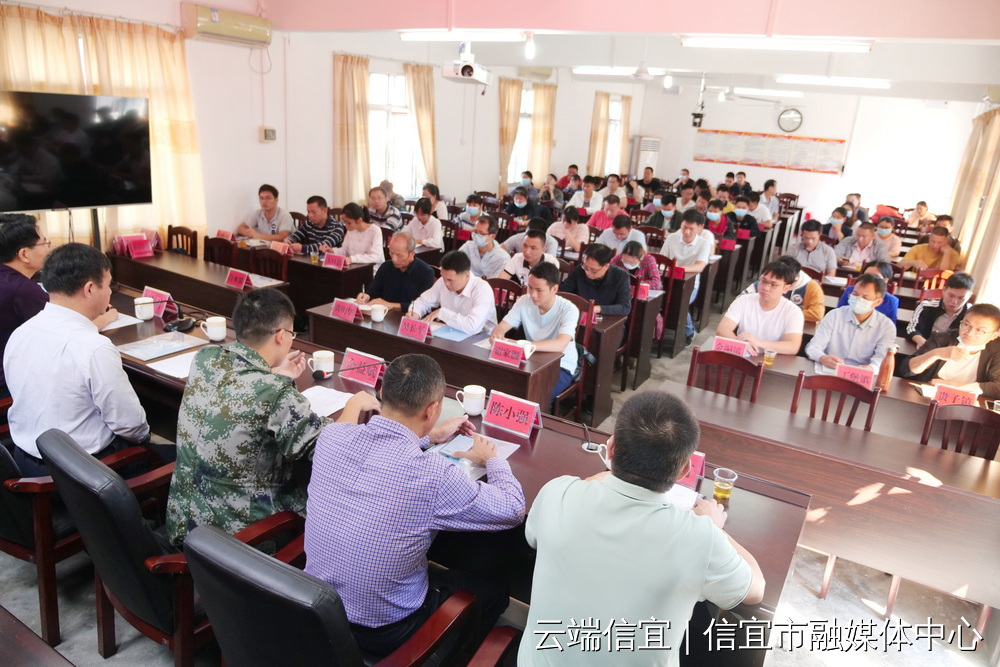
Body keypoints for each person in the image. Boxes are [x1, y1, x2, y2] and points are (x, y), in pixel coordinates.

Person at [519, 390, 765, 666]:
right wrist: (715, 528)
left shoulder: (558, 493)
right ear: (684, 471)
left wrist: (606, 476)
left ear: (611, 449)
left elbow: (533, 537)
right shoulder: (700, 537)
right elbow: (756, 589)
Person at [305, 354, 525, 656]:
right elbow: (513, 509)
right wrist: (493, 461)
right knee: (495, 590)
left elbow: (381, 443)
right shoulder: (433, 474)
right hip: (383, 631)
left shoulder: (332, 437)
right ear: (432, 409)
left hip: (317, 612)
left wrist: (428, 435)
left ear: (381, 391)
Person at [166, 289, 377, 544]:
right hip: (239, 539)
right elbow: (331, 448)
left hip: (183, 522)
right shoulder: (274, 391)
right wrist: (354, 405)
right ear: (280, 336)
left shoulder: (205, 358)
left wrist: (273, 374)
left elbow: (239, 385)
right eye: (292, 334)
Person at [5, 243, 147, 477]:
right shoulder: (94, 348)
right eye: (108, 285)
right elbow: (130, 426)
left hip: (25, 461)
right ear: (90, 289)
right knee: (174, 457)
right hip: (82, 474)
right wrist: (146, 437)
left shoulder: (21, 333)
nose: (110, 292)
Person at [492, 262, 580, 405]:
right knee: (500, 385)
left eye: (539, 290)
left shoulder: (568, 309)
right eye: (530, 288)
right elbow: (502, 326)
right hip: (531, 360)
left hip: (561, 365)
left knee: (535, 396)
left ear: (554, 289)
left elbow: (561, 345)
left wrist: (527, 345)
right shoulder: (524, 301)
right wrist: (498, 334)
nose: (532, 294)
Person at [901, 304, 1000, 398]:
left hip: (969, 403)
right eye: (966, 325)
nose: (969, 333)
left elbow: (997, 388)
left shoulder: (996, 351)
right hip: (928, 398)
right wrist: (936, 353)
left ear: (994, 336)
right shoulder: (942, 338)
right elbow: (906, 370)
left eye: (979, 330)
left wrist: (950, 385)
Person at [0, 214, 50, 396]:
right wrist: (107, 316)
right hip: (8, 386)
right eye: (44, 243)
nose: (49, 248)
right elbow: (65, 330)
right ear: (24, 254)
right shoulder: (21, 290)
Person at [805, 273, 897, 372]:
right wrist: (822, 357)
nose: (858, 300)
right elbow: (813, 347)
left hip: (861, 374)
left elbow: (881, 359)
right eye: (855, 294)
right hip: (829, 370)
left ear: (877, 302)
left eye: (865, 298)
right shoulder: (834, 315)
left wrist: (871, 368)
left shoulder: (886, 327)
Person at [716, 260, 804, 356]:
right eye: (763, 281)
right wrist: (741, 345)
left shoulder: (793, 312)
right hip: (744, 355)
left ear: (786, 288)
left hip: (772, 359)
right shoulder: (744, 300)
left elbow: (793, 346)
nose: (765, 288)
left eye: (773, 285)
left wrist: (757, 342)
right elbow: (722, 329)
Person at [408, 250, 497, 334]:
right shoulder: (443, 281)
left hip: (480, 338)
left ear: (466, 275)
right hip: (451, 332)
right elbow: (424, 301)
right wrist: (415, 312)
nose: (446, 283)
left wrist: (442, 313)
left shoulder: (482, 289)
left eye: (450, 280)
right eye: (443, 278)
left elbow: (472, 327)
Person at [664, 210, 712, 343]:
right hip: (669, 280)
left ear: (700, 227)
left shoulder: (703, 243)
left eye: (691, 229)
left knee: (680, 302)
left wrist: (678, 269)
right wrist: (669, 266)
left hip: (690, 284)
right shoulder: (672, 238)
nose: (686, 232)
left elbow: (700, 266)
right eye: (684, 227)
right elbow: (662, 259)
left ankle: (689, 331)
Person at [358, 232, 435, 313]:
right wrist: (366, 296)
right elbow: (373, 290)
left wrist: (391, 305)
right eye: (391, 253)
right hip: (384, 314)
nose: (394, 259)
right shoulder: (386, 266)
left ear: (412, 253)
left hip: (409, 316)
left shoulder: (426, 273)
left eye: (399, 255)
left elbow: (422, 305)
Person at [741, 255, 825, 324]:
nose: (767, 287)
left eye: (775, 284)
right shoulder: (766, 281)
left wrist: (782, 314)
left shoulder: (811, 287)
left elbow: (817, 314)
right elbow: (741, 300)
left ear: (794, 281)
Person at [560, 243, 632, 316]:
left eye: (593, 270)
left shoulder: (621, 276)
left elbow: (625, 307)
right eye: (585, 267)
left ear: (606, 266)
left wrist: (596, 309)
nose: (587, 272)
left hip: (607, 319)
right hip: (579, 317)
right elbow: (562, 292)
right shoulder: (579, 270)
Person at [905, 272, 975, 347]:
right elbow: (912, 328)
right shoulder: (926, 306)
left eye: (961, 298)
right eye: (951, 295)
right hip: (926, 347)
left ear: (969, 296)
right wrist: (921, 341)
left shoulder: (972, 314)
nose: (954, 301)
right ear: (944, 290)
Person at [612, 240, 664, 339]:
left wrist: (638, 284)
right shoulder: (618, 258)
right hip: (621, 297)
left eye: (631, 262)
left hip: (641, 299)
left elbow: (656, 283)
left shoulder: (649, 260)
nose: (627, 264)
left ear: (641, 258)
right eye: (625, 261)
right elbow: (607, 272)